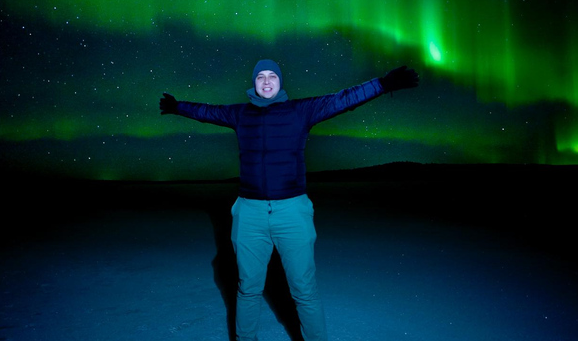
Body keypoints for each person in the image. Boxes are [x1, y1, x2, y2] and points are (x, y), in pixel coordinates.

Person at [159, 59, 419, 341]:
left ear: (280, 82)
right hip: (249, 213)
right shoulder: (239, 114)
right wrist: (177, 107)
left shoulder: (301, 111)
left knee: (304, 290)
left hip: (292, 211)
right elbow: (206, 111)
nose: (267, 81)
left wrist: (382, 84)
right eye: (261, 77)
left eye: (272, 76)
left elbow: (343, 99)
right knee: (248, 288)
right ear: (254, 83)